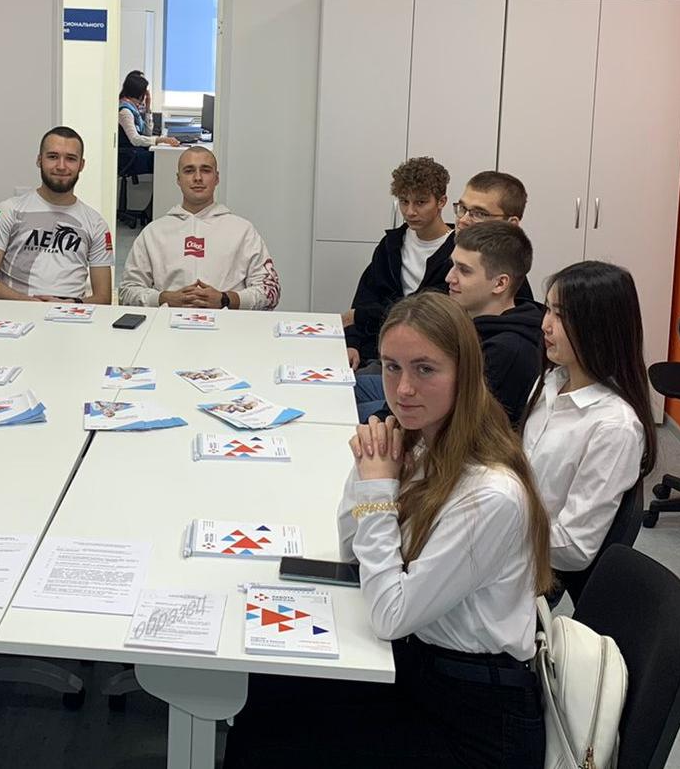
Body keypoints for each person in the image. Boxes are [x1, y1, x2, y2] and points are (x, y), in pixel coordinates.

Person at [224, 292, 550, 769]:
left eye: (425, 369)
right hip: (421, 666)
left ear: (465, 373)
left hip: (477, 718)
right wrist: (366, 469)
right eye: (393, 368)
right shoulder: (423, 445)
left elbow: (391, 615)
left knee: (269, 741)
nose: (404, 389)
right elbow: (353, 551)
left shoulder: (490, 494)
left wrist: (378, 490)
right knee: (267, 689)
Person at [520, 260, 657, 575]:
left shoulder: (614, 427)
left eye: (561, 316)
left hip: (532, 563)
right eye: (548, 309)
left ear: (598, 327)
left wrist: (496, 527)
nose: (545, 325)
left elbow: (574, 548)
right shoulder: (551, 381)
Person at [355, 221, 543, 427]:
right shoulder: (467, 321)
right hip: (422, 405)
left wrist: (384, 426)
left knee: (353, 416)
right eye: (452, 266)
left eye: (464, 271)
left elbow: (460, 423)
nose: (449, 278)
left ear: (500, 283)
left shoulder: (507, 351)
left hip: (440, 428)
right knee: (352, 390)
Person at [118, 145, 281, 309]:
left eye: (206, 170)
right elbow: (127, 292)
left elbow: (270, 291)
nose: (197, 178)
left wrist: (226, 299)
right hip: (168, 322)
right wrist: (163, 299)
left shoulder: (243, 231)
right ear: (178, 179)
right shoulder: (153, 233)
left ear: (216, 178)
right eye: (189, 171)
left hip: (227, 323)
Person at [0, 126, 113, 304]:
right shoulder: (8, 210)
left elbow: (104, 298)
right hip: (14, 312)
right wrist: (30, 304)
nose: (61, 166)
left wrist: (70, 305)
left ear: (81, 165)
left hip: (70, 315)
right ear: (39, 160)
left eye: (70, 159)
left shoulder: (96, 224)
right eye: (53, 157)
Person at [343, 156, 454, 368]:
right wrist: (352, 343)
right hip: (378, 349)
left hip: (428, 355)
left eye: (421, 202)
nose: (410, 211)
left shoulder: (457, 252)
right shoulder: (391, 244)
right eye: (404, 201)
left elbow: (428, 312)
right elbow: (366, 295)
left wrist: (361, 316)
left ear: (441, 202)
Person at [452, 170, 534, 303]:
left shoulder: (516, 293)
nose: (463, 220)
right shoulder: (445, 251)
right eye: (462, 208)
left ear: (511, 224)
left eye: (479, 214)